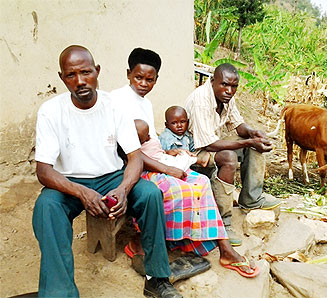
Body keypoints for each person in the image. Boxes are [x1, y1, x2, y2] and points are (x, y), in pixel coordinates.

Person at [32, 45, 182, 298]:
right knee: (46, 208)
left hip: (111, 176)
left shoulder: (114, 106)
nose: (80, 81)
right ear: (61, 78)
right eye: (71, 75)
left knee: (150, 195)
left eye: (86, 72)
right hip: (70, 181)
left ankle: (156, 278)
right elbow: (44, 171)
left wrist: (123, 189)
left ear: (97, 71)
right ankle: (60, 292)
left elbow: (135, 157)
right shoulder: (50, 111)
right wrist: (81, 192)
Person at [111, 48, 259, 278]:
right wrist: (166, 167)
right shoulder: (117, 101)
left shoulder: (145, 103)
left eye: (150, 80)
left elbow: (150, 142)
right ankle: (143, 240)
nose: (144, 83)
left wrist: (168, 155)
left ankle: (222, 247)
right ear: (128, 73)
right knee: (176, 187)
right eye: (138, 77)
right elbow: (128, 153)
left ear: (156, 79)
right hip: (136, 168)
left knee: (201, 181)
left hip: (156, 159)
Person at [185, 63, 281, 246]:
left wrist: (253, 133)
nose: (229, 90)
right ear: (213, 81)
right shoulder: (201, 101)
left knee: (256, 144)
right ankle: (223, 221)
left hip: (211, 144)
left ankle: (251, 199)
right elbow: (209, 144)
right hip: (193, 154)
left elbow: (237, 124)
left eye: (234, 86)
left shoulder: (226, 98)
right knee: (228, 158)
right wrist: (246, 141)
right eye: (224, 85)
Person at [135, 119, 208, 171]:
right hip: (161, 162)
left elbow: (158, 151)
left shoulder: (146, 144)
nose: (179, 125)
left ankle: (198, 160)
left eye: (182, 122)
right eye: (146, 135)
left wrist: (168, 152)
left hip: (164, 157)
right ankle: (200, 161)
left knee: (182, 153)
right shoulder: (163, 138)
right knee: (182, 159)